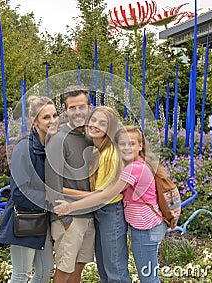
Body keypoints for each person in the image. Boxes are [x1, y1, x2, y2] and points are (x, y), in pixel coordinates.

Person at [54, 125, 167, 283]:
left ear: (141, 146)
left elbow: (106, 195)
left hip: (146, 229)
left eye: (132, 143)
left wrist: (70, 202)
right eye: (123, 144)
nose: (127, 147)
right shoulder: (132, 164)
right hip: (141, 226)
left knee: (147, 278)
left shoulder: (134, 168)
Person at [0, 95, 58, 283]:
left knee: (45, 272)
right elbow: (18, 192)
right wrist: (48, 196)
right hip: (25, 220)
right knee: (21, 275)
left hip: (42, 218)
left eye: (55, 115)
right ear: (34, 121)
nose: (52, 121)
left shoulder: (50, 146)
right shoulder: (24, 148)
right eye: (46, 117)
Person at [45, 86, 95, 283]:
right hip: (69, 218)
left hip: (88, 215)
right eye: (72, 108)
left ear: (89, 107)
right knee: (64, 270)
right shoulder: (58, 139)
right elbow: (52, 184)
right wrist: (65, 220)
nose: (77, 112)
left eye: (81, 107)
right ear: (66, 110)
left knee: (78, 268)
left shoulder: (91, 136)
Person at [79, 106, 131, 283]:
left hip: (110, 211)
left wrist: (67, 197)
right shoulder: (96, 150)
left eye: (102, 123)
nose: (95, 125)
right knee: (104, 267)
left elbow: (102, 194)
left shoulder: (110, 153)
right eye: (93, 120)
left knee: (115, 269)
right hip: (100, 211)